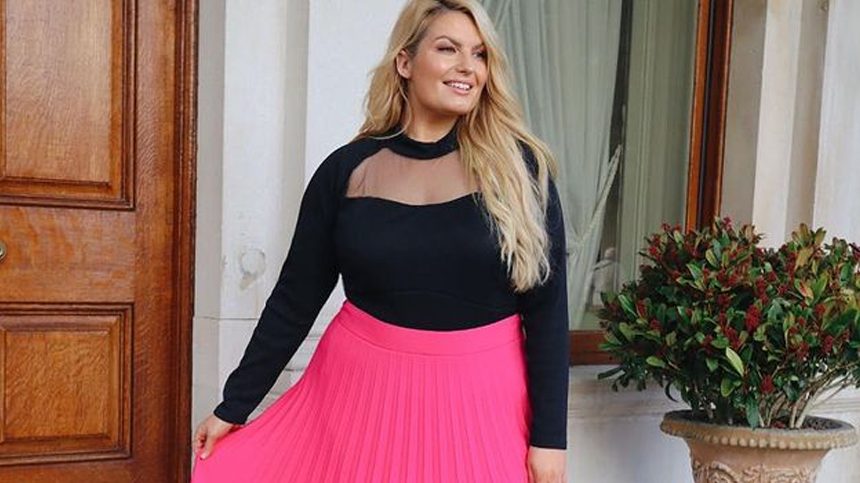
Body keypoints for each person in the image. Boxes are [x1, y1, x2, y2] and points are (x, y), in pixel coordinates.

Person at [190, 0, 569, 481]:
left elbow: (548, 312)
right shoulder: (345, 172)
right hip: (356, 396)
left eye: (479, 54)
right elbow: (294, 300)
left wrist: (550, 439)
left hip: (483, 402)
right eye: (448, 49)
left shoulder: (520, 172)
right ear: (405, 62)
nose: (468, 67)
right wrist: (235, 405)